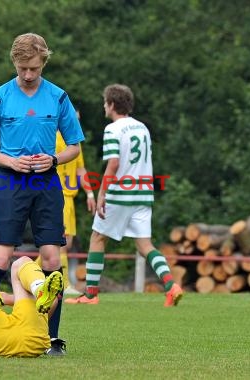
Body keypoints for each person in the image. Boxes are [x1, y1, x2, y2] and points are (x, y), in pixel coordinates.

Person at [0, 33, 85, 355]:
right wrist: (10, 160)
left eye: (34, 69)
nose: (27, 75)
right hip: (10, 182)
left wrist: (53, 158)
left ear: (43, 64)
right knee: (0, 256)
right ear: (14, 63)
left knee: (52, 258)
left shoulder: (59, 97)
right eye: (22, 68)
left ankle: (52, 338)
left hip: (47, 182)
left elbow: (75, 147)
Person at [65, 84, 183, 307]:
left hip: (121, 193)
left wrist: (102, 194)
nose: (103, 106)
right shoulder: (142, 128)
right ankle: (171, 286)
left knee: (98, 238)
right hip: (144, 193)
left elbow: (114, 164)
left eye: (105, 102)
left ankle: (90, 295)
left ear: (111, 104)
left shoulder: (113, 129)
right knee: (145, 245)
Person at [36, 109, 97, 296]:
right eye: (74, 119)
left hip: (68, 198)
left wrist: (90, 194)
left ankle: (28, 272)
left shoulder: (74, 143)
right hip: (56, 195)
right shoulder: (53, 139)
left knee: (65, 243)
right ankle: (63, 283)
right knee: (60, 242)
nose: (76, 123)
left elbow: (81, 170)